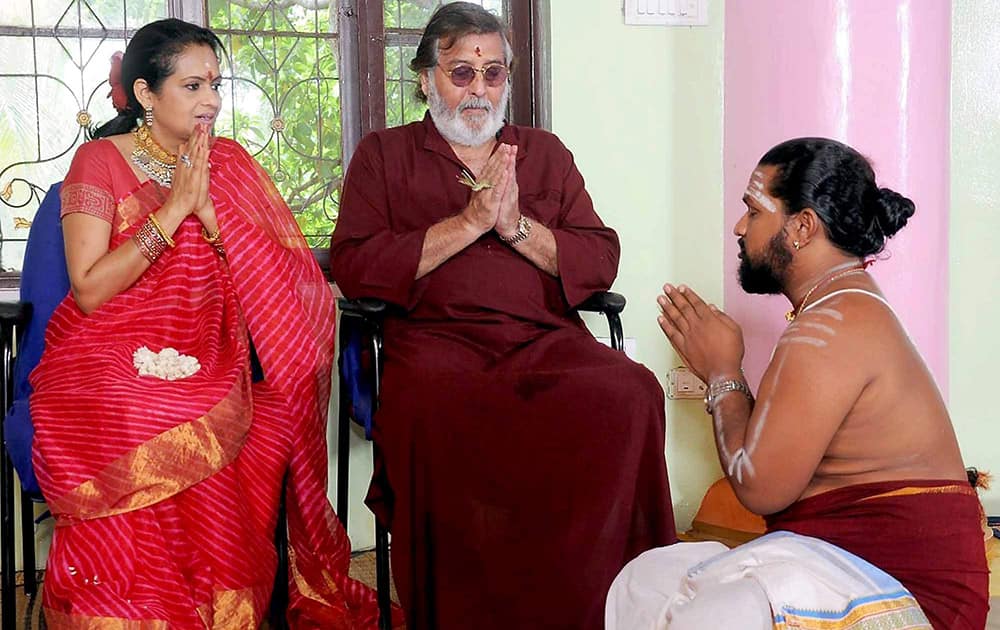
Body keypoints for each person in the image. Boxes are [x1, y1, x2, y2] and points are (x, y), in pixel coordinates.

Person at [329, 3, 676, 628]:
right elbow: (354, 264)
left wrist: (515, 226)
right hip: (435, 346)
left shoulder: (542, 153)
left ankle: (611, 600)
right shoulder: (385, 155)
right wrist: (467, 224)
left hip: (546, 341)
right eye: (462, 73)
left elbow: (600, 255)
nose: (479, 89)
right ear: (426, 79)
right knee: (431, 411)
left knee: (629, 391)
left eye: (493, 74)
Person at [30, 19, 383, 628]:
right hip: (103, 351)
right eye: (193, 86)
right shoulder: (99, 162)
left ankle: (217, 609)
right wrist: (171, 214)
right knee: (149, 413)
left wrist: (215, 218)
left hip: (211, 351)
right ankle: (136, 610)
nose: (212, 101)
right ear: (145, 94)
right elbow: (88, 288)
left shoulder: (229, 163)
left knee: (261, 422)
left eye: (215, 84)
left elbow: (280, 276)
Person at [606, 138, 989, 629]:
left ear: (802, 227)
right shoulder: (840, 308)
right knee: (652, 580)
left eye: (753, 210)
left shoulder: (830, 326)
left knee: (725, 612)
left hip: (916, 603)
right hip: (847, 569)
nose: (740, 228)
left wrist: (723, 372)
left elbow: (760, 488)